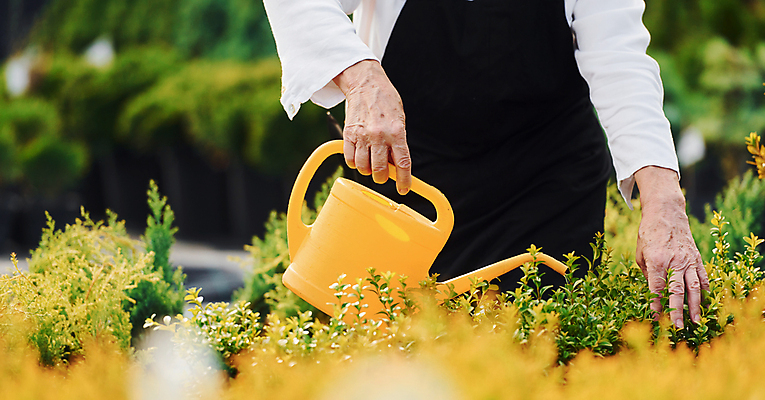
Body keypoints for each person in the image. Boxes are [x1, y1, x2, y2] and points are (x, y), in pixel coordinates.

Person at [263, 0, 709, 329]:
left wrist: (664, 202)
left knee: (547, 353)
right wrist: (360, 77)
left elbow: (620, 57)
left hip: (546, 182)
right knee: (390, 361)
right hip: (407, 177)